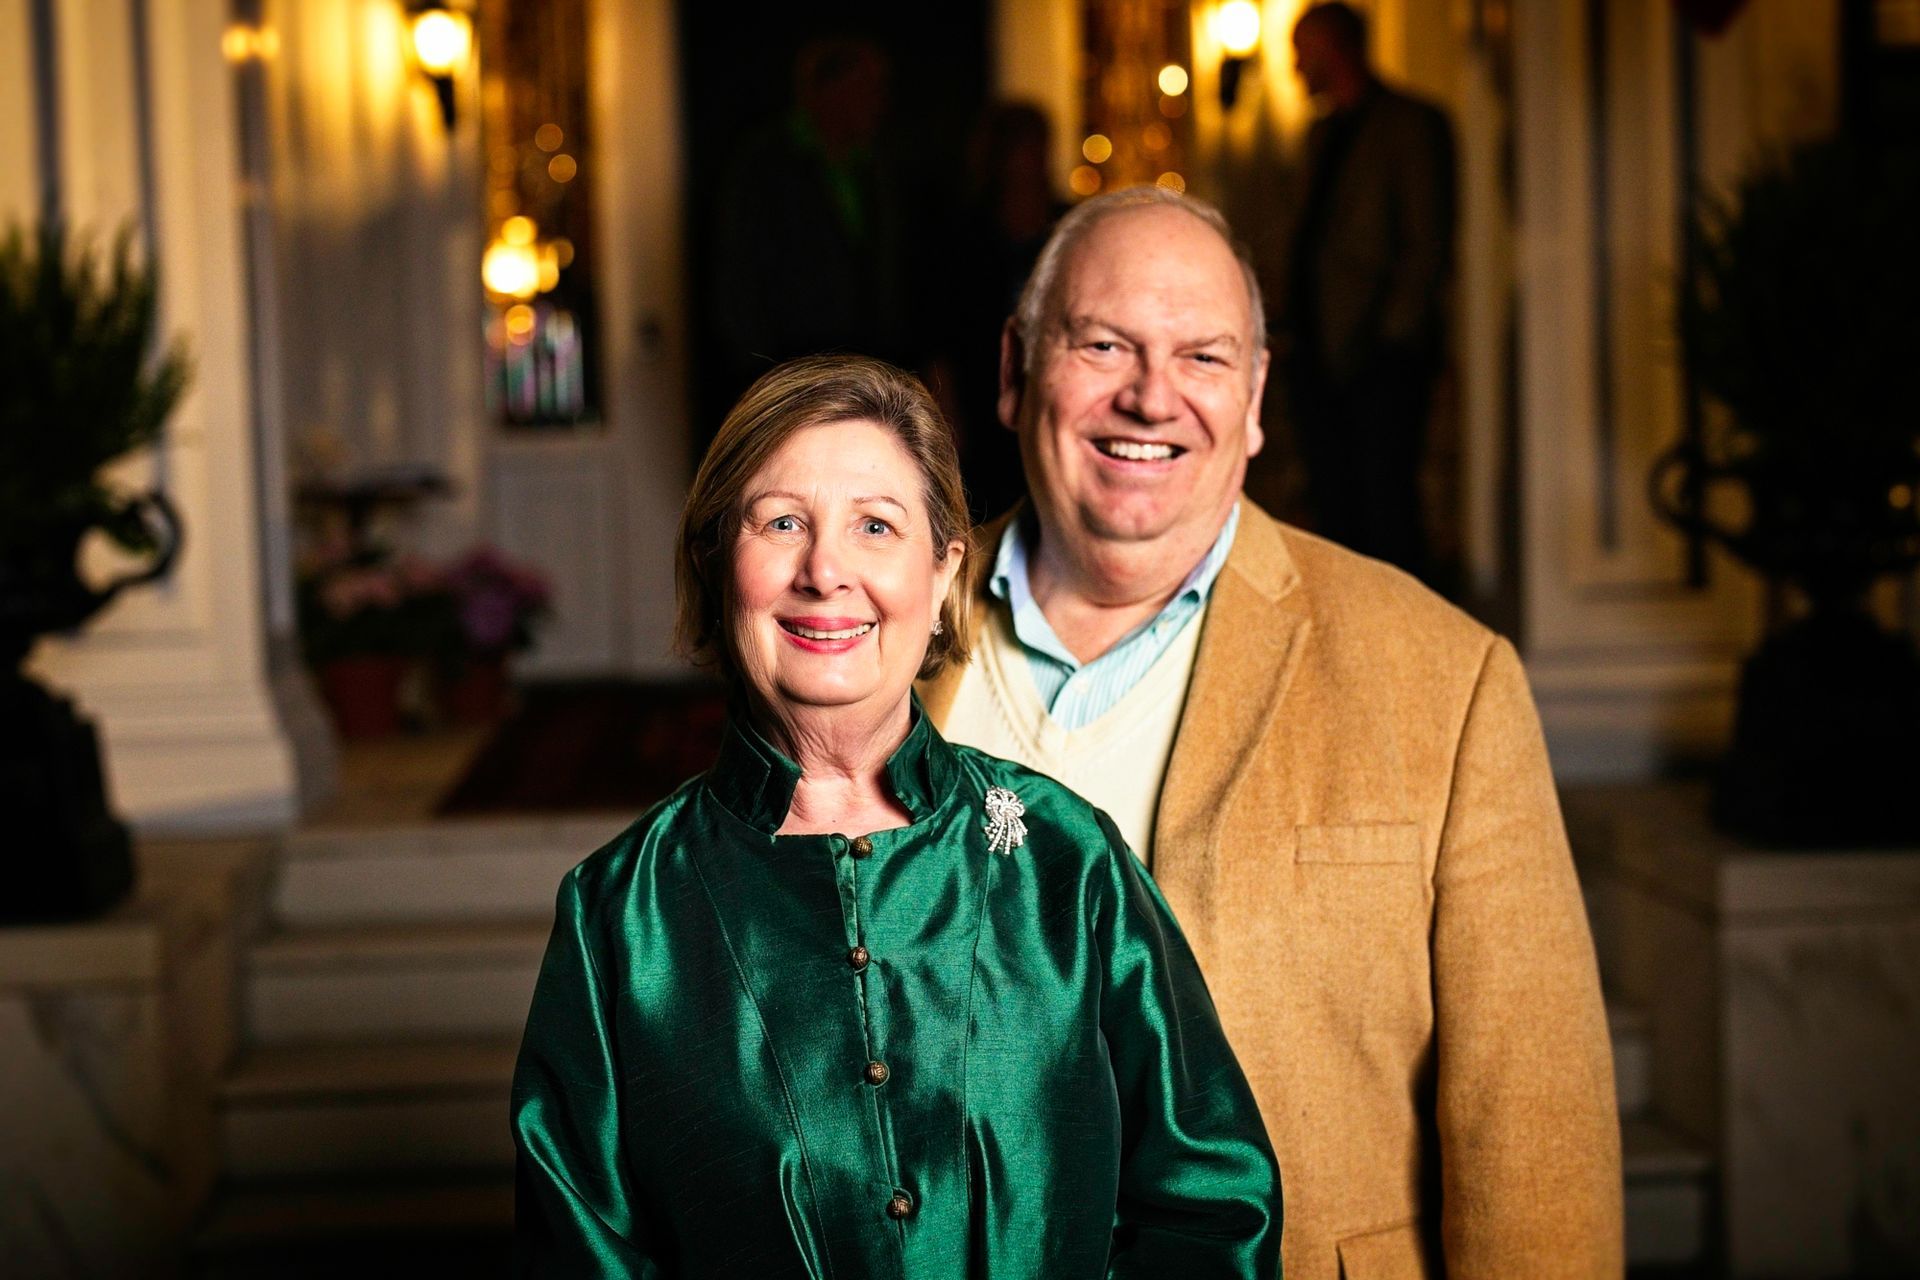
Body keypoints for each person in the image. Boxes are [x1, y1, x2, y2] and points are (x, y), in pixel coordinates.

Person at [921, 188, 1623, 1278]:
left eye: (1203, 357)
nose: (1151, 397)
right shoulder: (873, 638)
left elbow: (1535, 1142)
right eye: (1102, 342)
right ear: (1015, 371)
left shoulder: (1447, 679)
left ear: (1254, 399)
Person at [511, 355, 1280, 1277]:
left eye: (876, 525)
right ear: (718, 559)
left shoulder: (1067, 864)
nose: (826, 571)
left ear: (943, 567)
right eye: (783, 523)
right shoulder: (619, 919)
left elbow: (1211, 1207)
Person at [1281, 1, 1455, 581]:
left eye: (1302, 50)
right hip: (1318, 353)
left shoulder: (1410, 124)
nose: (1294, 66)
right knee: (1335, 509)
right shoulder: (1319, 132)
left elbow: (1426, 241)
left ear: (1335, 47)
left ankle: (1408, 649)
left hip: (1383, 357)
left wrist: (1390, 343)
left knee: (1388, 508)